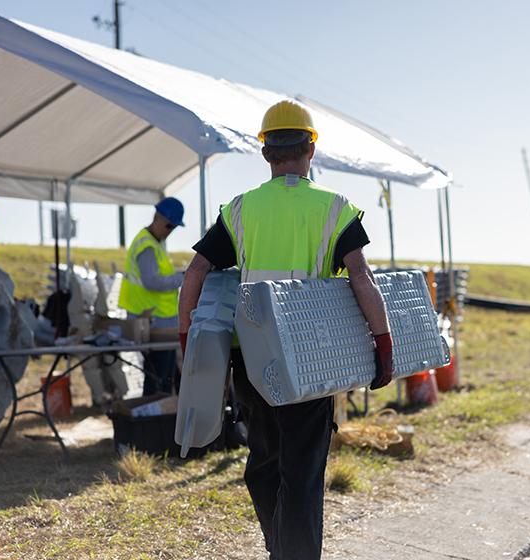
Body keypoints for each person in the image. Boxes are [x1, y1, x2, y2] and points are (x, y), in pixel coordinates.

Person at [177, 100, 394, 559]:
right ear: (310, 149)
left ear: (265, 153)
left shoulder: (240, 210)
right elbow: (361, 279)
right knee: (303, 471)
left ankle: (281, 546)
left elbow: (194, 273)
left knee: (265, 463)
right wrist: (383, 342)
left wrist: (187, 339)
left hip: (253, 361)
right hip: (310, 360)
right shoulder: (334, 209)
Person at [118, 197, 185, 395]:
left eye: (173, 227)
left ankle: (159, 418)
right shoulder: (147, 246)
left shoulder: (155, 243)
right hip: (151, 323)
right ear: (156, 217)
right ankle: (154, 420)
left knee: (163, 379)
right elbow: (152, 281)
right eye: (168, 225)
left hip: (158, 322)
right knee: (158, 381)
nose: (169, 231)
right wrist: (183, 277)